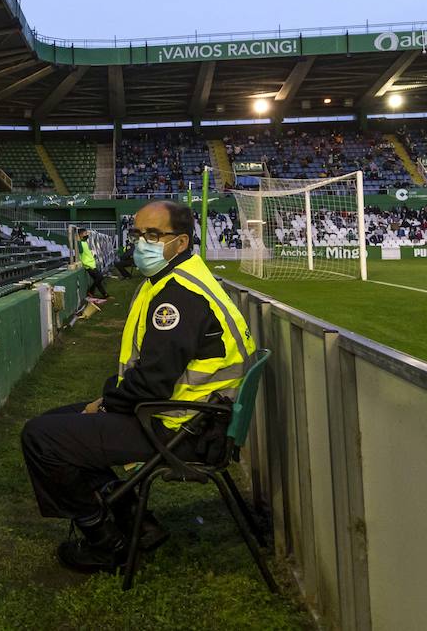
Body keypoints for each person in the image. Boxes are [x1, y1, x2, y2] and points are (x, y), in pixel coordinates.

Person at [20, 200, 256, 573]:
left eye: (152, 235)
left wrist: (107, 403)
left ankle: (106, 540)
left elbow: (152, 383)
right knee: (57, 422)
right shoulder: (175, 280)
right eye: (137, 233)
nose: (141, 242)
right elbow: (152, 377)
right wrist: (107, 399)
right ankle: (133, 520)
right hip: (189, 418)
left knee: (41, 437)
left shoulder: (179, 294)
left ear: (180, 243)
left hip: (180, 427)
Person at [76, 228, 111, 311]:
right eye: (85, 233)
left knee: (98, 280)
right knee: (100, 278)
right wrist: (77, 241)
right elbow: (80, 251)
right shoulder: (80, 243)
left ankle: (105, 295)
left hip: (91, 264)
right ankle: (91, 291)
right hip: (88, 265)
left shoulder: (84, 242)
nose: (87, 235)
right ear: (80, 235)